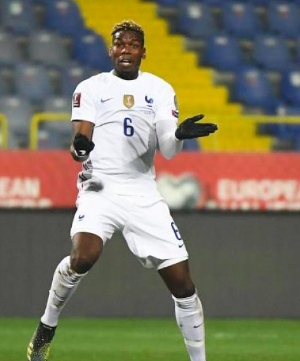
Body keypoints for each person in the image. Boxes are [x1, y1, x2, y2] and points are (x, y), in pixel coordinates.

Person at [27, 20, 218, 361]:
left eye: (132, 44)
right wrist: (81, 148)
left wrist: (179, 136)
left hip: (142, 191)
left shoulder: (160, 89)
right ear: (111, 50)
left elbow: (169, 152)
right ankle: (47, 326)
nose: (125, 50)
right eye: (120, 44)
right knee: (83, 257)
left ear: (143, 52)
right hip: (100, 186)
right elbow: (79, 144)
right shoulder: (91, 87)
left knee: (183, 285)